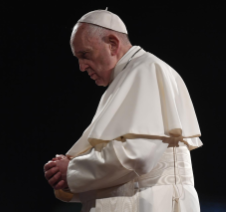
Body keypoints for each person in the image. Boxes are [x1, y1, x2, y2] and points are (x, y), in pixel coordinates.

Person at [44, 9, 203, 212]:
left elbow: (137, 155)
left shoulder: (146, 70)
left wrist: (73, 170)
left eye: (85, 55)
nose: (82, 67)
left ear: (112, 44)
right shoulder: (127, 77)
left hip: (151, 202)